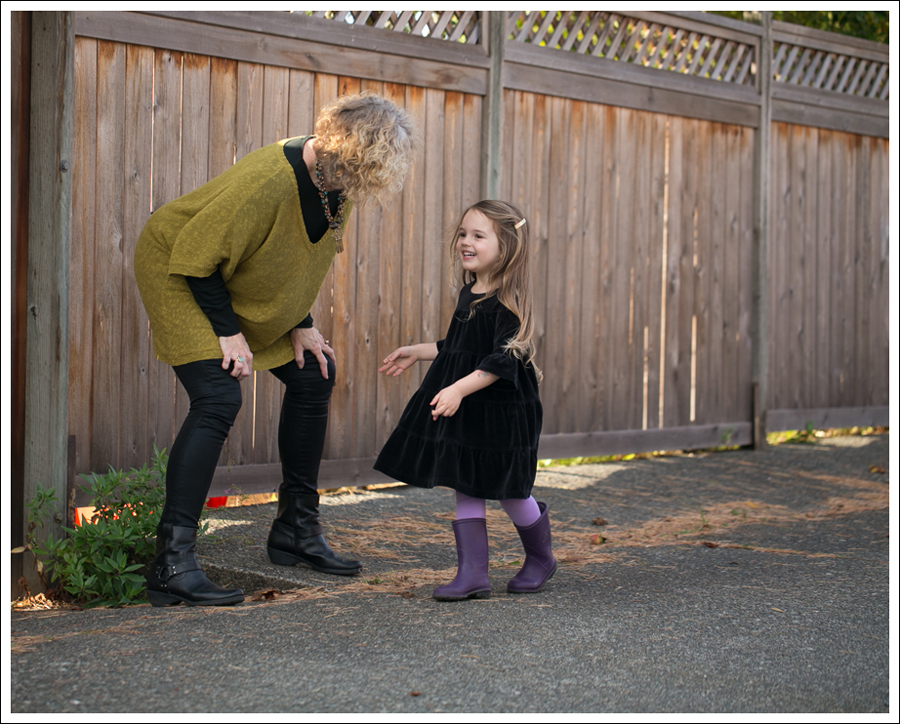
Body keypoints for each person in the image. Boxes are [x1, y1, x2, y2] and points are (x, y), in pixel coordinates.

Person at [134, 91, 419, 607]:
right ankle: (172, 561)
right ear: (337, 147)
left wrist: (301, 323)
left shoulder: (338, 181)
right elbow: (197, 255)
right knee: (219, 397)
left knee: (315, 372)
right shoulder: (268, 180)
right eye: (359, 170)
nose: (361, 184)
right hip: (180, 269)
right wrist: (228, 332)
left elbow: (298, 261)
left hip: (231, 279)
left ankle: (296, 531)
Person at [374, 200, 554, 601]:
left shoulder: (509, 297)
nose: (465, 242)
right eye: (462, 234)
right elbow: (460, 347)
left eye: (478, 235)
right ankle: (472, 573)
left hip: (503, 411)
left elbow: (500, 359)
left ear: (506, 245)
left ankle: (541, 558)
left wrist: (457, 388)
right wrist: (418, 351)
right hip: (472, 403)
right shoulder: (469, 291)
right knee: (465, 480)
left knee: (509, 491)